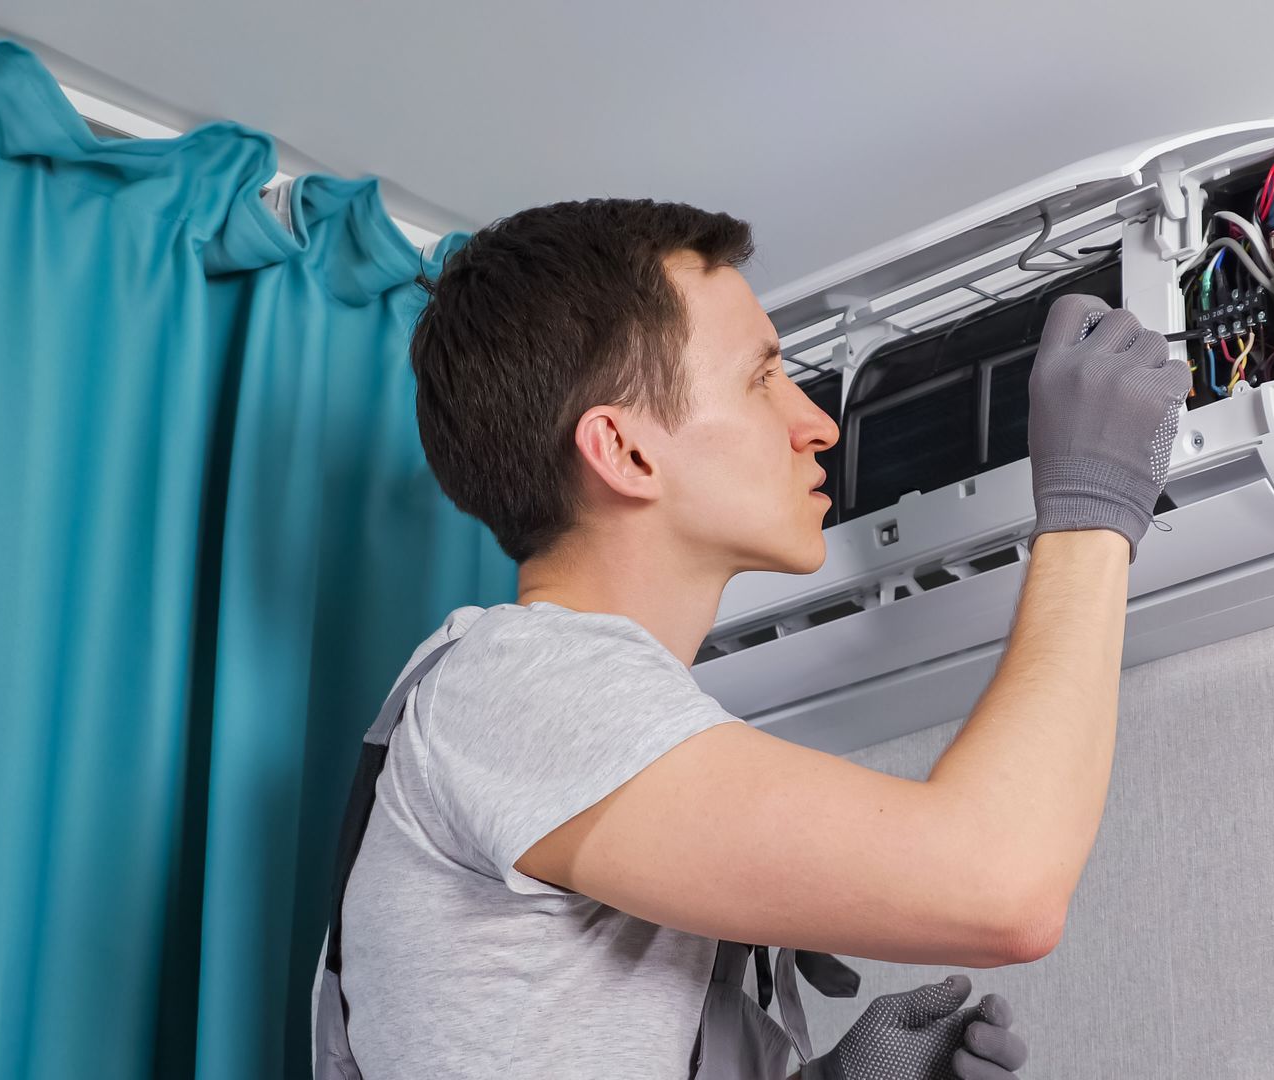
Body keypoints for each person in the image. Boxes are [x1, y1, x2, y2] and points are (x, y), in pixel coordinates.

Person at [327, 198, 1190, 1078]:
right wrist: (1091, 506)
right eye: (762, 377)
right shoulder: (525, 684)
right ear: (624, 453)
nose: (816, 422)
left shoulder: (562, 725)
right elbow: (1006, 886)